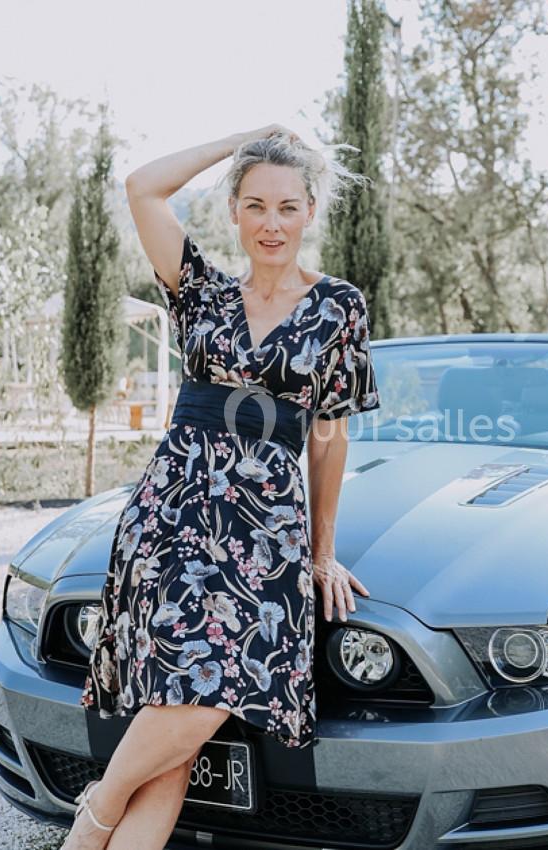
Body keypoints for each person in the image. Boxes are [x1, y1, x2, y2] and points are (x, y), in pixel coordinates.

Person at [63, 125, 382, 849]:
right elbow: (143, 186)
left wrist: (322, 553)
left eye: (288, 207)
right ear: (234, 211)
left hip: (267, 532)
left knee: (205, 699)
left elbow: (329, 434)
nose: (272, 224)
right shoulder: (199, 291)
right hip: (174, 517)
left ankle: (94, 817)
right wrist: (246, 137)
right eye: (256, 205)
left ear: (309, 213)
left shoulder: (340, 307)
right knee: (179, 734)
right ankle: (101, 822)